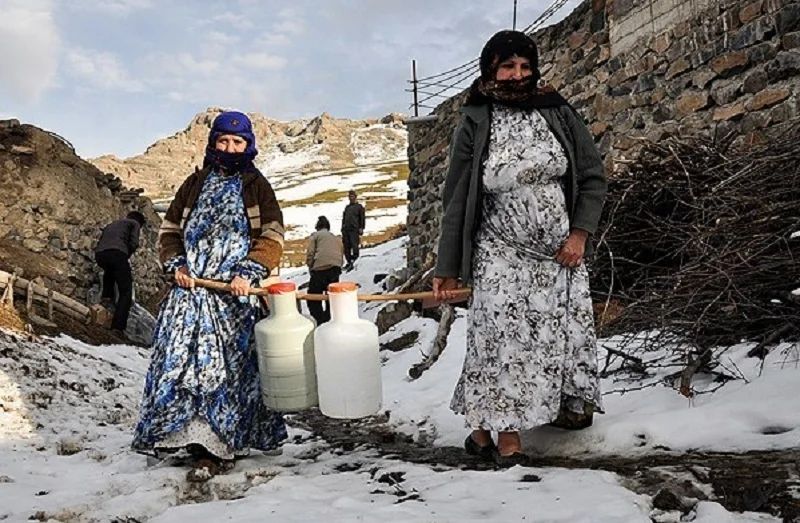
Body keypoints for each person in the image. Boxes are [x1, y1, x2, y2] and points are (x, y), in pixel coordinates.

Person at [432, 30, 607, 466]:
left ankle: (485, 427)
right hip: (499, 249)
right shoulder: (476, 118)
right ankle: (508, 437)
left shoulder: (557, 111)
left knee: (550, 340)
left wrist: (579, 234)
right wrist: (447, 266)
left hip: (557, 255)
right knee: (501, 339)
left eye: (526, 67)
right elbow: (456, 198)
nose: (518, 75)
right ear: (490, 69)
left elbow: (591, 176)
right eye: (508, 66)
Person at [132, 111, 287, 477]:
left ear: (249, 145)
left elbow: (273, 235)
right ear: (212, 142)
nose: (230, 148)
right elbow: (169, 232)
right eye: (223, 141)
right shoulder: (193, 183)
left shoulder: (256, 186)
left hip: (234, 296)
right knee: (177, 362)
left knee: (224, 370)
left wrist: (248, 272)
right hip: (191, 292)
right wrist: (177, 267)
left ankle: (217, 444)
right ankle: (179, 435)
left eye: (238, 142)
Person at [94, 210, 146, 335]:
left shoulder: (114, 223)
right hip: (117, 253)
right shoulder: (135, 224)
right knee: (126, 290)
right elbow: (133, 243)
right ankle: (118, 327)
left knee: (110, 273)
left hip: (100, 255)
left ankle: (106, 301)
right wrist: (126, 256)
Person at [305, 216, 344, 325]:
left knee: (313, 296)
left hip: (320, 268)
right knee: (331, 296)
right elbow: (341, 253)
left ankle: (319, 319)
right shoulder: (335, 238)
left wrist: (310, 265)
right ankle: (330, 318)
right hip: (335, 268)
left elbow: (311, 253)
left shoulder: (316, 236)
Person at [341, 189, 365, 271]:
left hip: (354, 229)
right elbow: (343, 218)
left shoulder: (359, 207)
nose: (351, 198)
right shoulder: (347, 208)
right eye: (350, 196)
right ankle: (349, 262)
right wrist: (342, 228)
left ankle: (355, 261)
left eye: (352, 196)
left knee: (355, 246)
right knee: (346, 247)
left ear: (355, 197)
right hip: (346, 230)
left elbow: (362, 218)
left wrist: (361, 228)